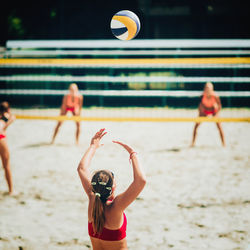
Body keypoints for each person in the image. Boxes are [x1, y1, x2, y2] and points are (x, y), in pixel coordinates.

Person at [77, 128, 146, 250]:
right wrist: (133, 153)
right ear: (113, 187)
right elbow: (141, 181)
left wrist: (93, 146)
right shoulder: (116, 207)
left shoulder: (92, 199)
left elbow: (82, 168)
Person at [191, 82, 225, 147]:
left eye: (209, 88)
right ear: (204, 89)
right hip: (204, 111)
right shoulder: (202, 96)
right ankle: (193, 143)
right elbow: (200, 107)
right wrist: (202, 115)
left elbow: (219, 106)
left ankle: (223, 144)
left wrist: (216, 115)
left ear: (212, 89)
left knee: (219, 127)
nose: (207, 90)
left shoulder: (215, 96)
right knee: (196, 126)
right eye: (206, 88)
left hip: (213, 111)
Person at [0, 101, 15, 195]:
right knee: (6, 166)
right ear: (8, 109)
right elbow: (4, 127)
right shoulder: (7, 116)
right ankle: (11, 190)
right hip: (1, 137)